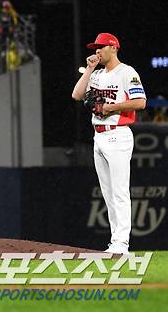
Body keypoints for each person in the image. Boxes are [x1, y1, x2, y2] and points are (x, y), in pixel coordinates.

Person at [71, 33, 146, 255]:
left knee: (120, 191)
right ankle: (115, 242)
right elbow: (76, 94)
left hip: (118, 134)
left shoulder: (127, 72)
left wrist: (110, 108)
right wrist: (91, 70)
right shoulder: (97, 74)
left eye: (101, 47)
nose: (97, 51)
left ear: (113, 48)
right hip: (99, 136)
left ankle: (122, 244)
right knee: (108, 192)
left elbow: (141, 102)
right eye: (95, 48)